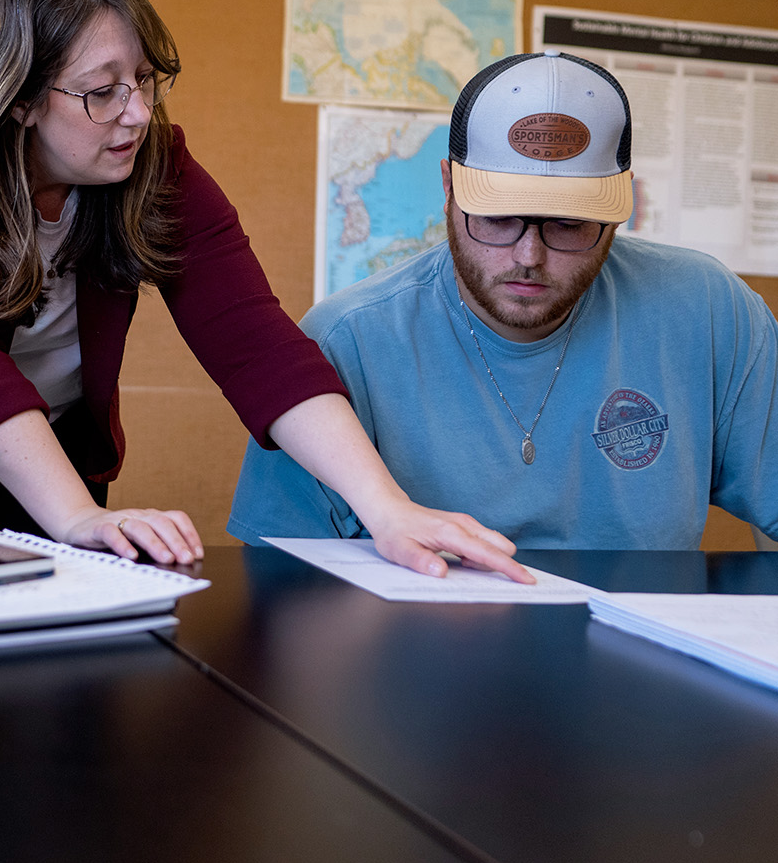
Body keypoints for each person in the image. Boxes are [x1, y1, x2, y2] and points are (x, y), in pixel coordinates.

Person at [0, 0, 529, 578]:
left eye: (142, 80)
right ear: (19, 99)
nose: (136, 111)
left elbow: (255, 342)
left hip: (44, 446)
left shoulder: (151, 162)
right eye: (102, 92)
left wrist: (387, 510)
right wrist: (71, 516)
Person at [229, 50, 778, 560]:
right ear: (448, 187)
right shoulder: (346, 341)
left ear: (619, 204)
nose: (529, 255)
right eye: (496, 217)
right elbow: (281, 581)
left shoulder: (707, 311)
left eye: (569, 223)